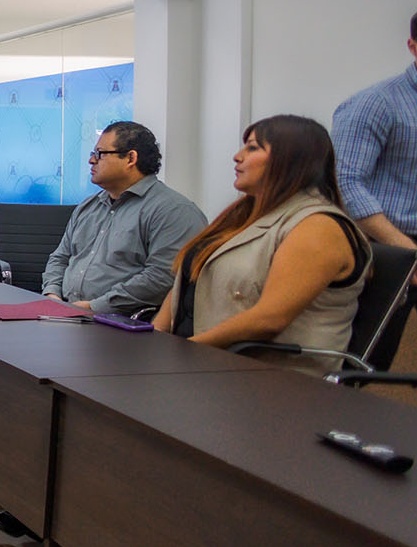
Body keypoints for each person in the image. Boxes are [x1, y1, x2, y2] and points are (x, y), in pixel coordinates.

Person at [154, 115, 371, 373]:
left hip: (269, 384)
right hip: (207, 367)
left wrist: (183, 353)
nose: (238, 156)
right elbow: (192, 278)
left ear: (291, 159)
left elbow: (269, 319)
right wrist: (156, 342)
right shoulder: (243, 216)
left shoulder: (319, 226)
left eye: (253, 148)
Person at [333, 2, 417, 343]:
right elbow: (346, 182)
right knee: (368, 357)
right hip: (386, 244)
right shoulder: (376, 104)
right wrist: (407, 250)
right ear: (413, 46)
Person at [41, 122, 207, 315]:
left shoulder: (174, 211)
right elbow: (60, 257)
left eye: (100, 153)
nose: (92, 161)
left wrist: (94, 307)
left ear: (130, 158)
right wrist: (52, 294)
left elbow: (162, 278)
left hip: (125, 324)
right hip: (66, 315)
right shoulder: (88, 207)